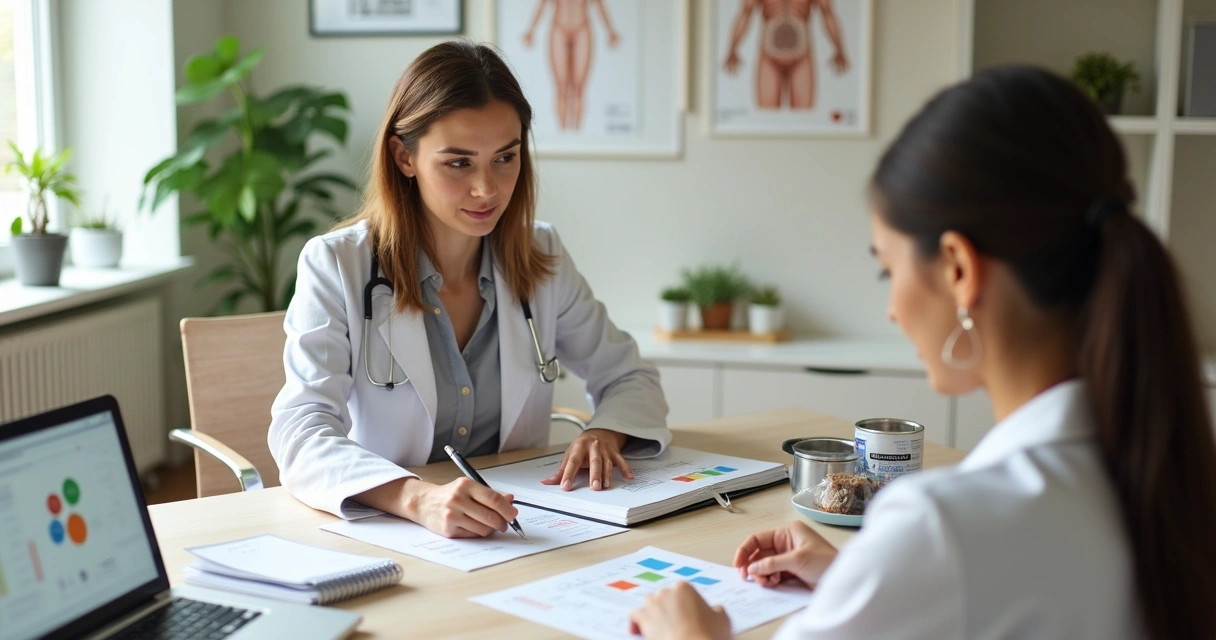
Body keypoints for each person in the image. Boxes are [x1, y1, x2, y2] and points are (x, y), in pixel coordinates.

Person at [630, 66, 1216, 639]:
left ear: (959, 269)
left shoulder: (943, 526)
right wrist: (870, 583)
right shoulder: (1164, 470)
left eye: (888, 270)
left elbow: (970, 566)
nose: (891, 309)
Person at [269, 41, 671, 539]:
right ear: (404, 156)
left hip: (519, 527)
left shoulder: (540, 254)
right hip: (391, 529)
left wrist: (604, 432)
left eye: (505, 157)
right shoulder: (337, 265)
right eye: (459, 163)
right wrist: (417, 497)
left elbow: (630, 377)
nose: (487, 188)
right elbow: (301, 431)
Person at [723, 0, 849, 111]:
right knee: (766, 119)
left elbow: (827, 13)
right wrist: (732, 48)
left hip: (802, 57)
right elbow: (745, 13)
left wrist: (839, 48)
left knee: (803, 119)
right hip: (769, 56)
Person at [523, 0, 620, 131]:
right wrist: (531, 29)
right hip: (559, 26)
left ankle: (577, 136)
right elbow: (543, 4)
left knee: (579, 87)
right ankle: (562, 136)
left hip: (582, 27)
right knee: (561, 86)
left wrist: (610, 30)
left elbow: (599, 4)